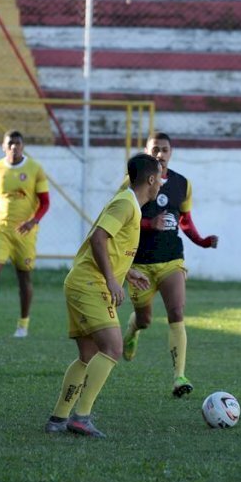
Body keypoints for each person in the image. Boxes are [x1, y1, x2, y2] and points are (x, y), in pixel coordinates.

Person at [44, 153, 163, 438]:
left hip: (82, 281)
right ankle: (81, 417)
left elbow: (110, 245)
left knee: (88, 355)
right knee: (113, 347)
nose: (161, 182)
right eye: (159, 177)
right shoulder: (126, 203)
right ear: (150, 179)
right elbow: (99, 238)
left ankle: (58, 418)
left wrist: (126, 271)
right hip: (90, 283)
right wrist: (111, 280)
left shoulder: (128, 203)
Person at [119, 133, 219, 398]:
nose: (160, 154)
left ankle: (179, 377)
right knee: (145, 319)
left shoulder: (182, 184)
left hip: (171, 259)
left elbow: (184, 219)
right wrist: (149, 224)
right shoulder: (131, 183)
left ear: (171, 153)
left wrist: (201, 240)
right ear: (146, 151)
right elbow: (120, 218)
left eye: (164, 150)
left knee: (176, 311)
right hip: (140, 263)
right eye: (155, 149)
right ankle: (132, 330)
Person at [0, 130, 50, 339]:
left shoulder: (35, 169)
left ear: (23, 147)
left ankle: (23, 325)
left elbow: (45, 202)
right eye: (10, 144)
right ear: (3, 146)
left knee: (23, 276)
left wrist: (33, 221)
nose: (14, 147)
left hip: (25, 232)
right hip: (1, 230)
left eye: (18, 144)